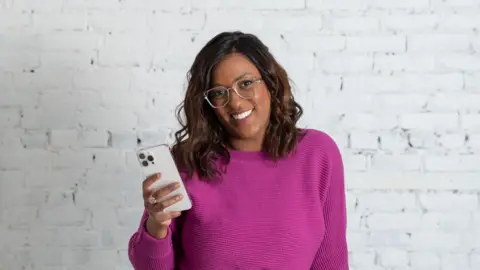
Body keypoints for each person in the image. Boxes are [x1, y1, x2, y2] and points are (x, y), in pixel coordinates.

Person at [127, 31, 349, 270]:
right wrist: (156, 226)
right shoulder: (187, 161)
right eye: (219, 93)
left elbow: (332, 259)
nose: (235, 103)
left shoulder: (317, 154)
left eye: (245, 84)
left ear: (271, 83)